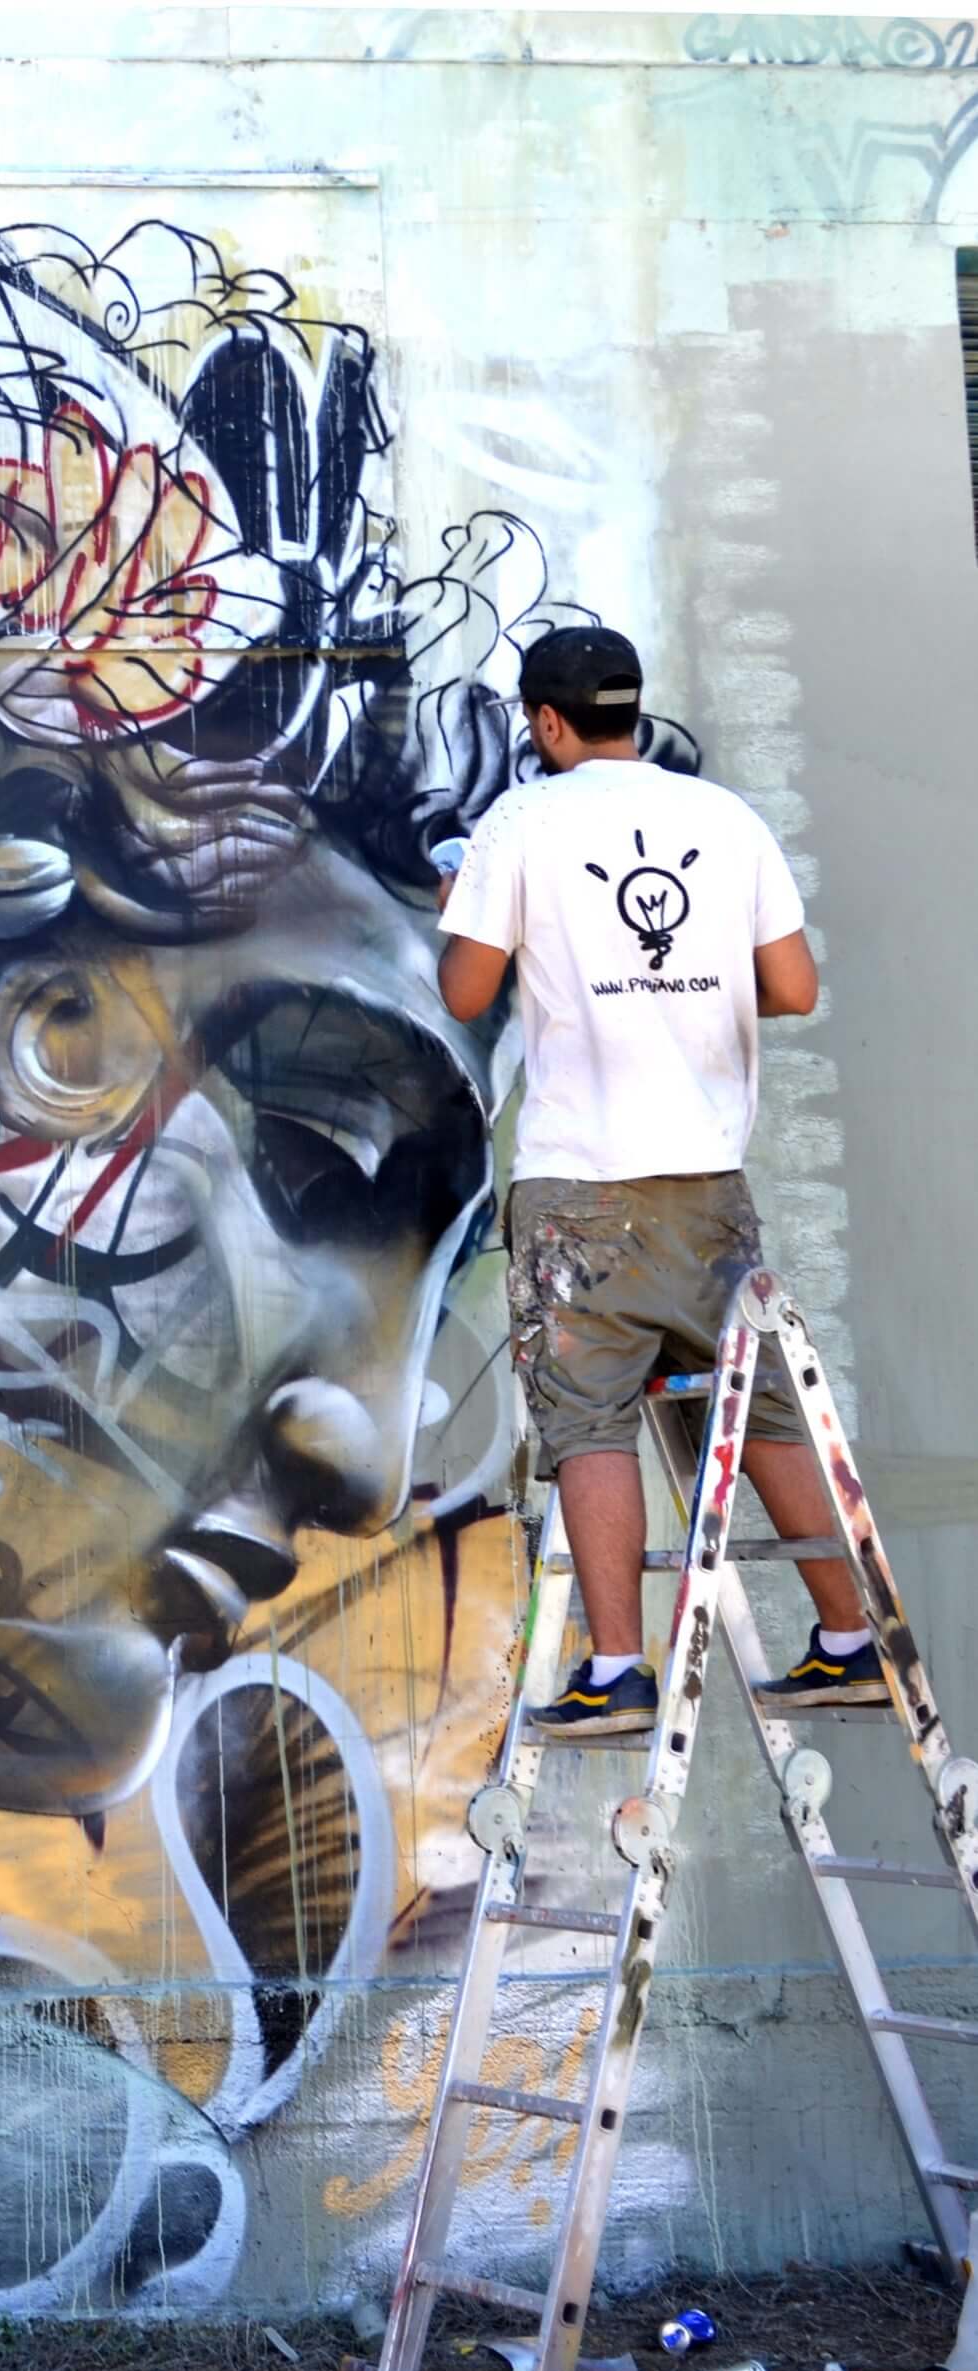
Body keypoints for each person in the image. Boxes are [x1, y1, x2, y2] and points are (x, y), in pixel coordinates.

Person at [435, 623, 876, 1737]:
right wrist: (684, 990)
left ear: (546, 721)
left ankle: (619, 1670)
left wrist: (482, 916)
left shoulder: (521, 822)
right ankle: (849, 1640)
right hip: (709, 1180)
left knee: (590, 1423)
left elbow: (464, 991)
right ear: (631, 711)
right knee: (757, 1407)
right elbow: (792, 986)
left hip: (581, 1185)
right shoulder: (725, 818)